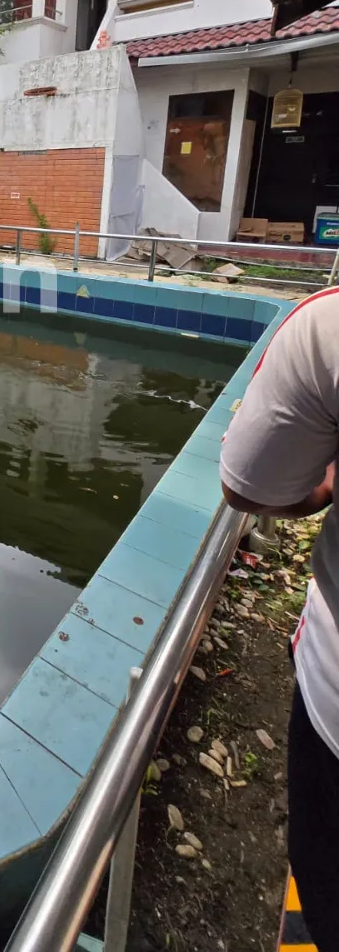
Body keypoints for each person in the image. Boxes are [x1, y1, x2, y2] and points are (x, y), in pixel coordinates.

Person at [220, 288, 339, 950]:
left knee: (327, 888)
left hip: (334, 711)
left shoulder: (327, 327)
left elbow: (250, 485)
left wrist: (323, 487)